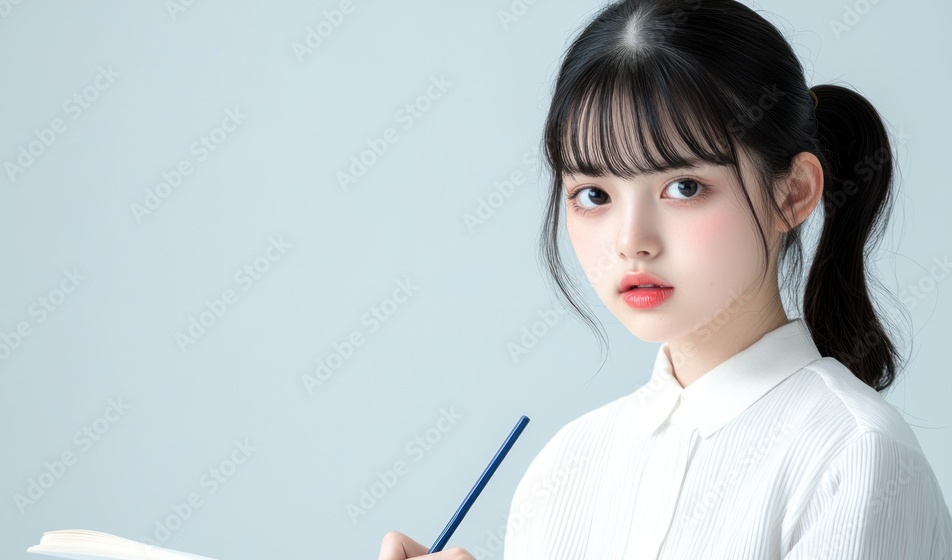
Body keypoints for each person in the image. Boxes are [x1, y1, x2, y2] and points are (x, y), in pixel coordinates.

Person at [378, 0, 952, 557]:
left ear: (793, 192)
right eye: (593, 194)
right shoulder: (565, 468)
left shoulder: (855, 457)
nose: (631, 240)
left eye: (684, 186)